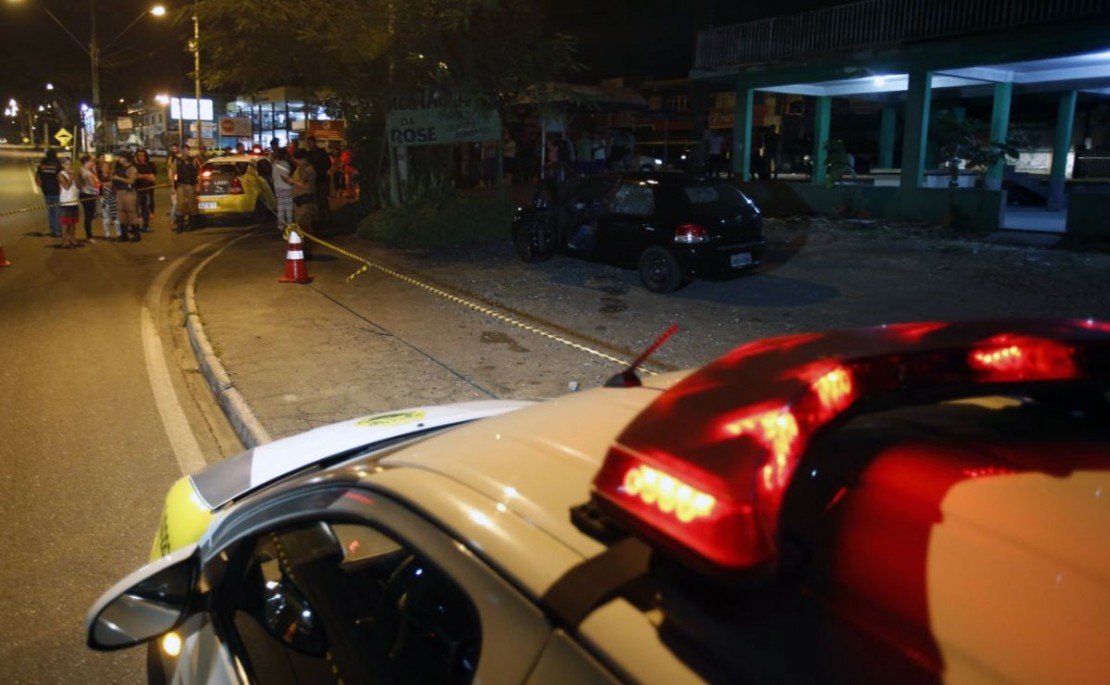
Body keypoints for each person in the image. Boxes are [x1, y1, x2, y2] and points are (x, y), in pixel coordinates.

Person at [291, 149, 316, 258]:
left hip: (305, 201)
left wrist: (291, 181)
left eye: (298, 160)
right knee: (299, 227)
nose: (297, 162)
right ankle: (302, 250)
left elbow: (305, 185)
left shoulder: (309, 170)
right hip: (297, 202)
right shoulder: (298, 168)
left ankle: (307, 252)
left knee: (305, 227)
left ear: (304, 159)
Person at [113, 151, 141, 242]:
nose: (119, 159)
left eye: (121, 157)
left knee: (131, 213)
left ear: (126, 158)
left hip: (128, 193)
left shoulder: (132, 168)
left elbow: (131, 181)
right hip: (119, 192)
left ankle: (136, 234)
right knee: (121, 214)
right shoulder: (119, 168)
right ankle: (124, 235)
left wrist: (118, 178)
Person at [35, 148, 62, 237]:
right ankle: (57, 231)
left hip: (46, 191)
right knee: (57, 211)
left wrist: (43, 186)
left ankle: (53, 229)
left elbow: (38, 180)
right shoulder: (58, 166)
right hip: (56, 191)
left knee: (51, 211)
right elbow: (61, 179)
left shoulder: (41, 166)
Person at [174, 145, 199, 233]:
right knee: (180, 205)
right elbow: (174, 173)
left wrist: (197, 185)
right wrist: (173, 186)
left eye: (187, 150)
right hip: (181, 184)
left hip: (190, 185)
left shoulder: (193, 160)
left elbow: (198, 173)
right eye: (183, 149)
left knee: (191, 205)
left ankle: (192, 225)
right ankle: (179, 226)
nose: (185, 151)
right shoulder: (177, 161)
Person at [305, 136, 331, 222]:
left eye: (310, 143)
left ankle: (324, 218)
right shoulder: (308, 154)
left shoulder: (322, 153)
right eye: (308, 143)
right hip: (312, 181)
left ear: (314, 143)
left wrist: (316, 168)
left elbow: (328, 165)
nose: (309, 145)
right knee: (314, 200)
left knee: (322, 200)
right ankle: (317, 217)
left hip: (321, 180)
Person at [57, 157, 81, 249]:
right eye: (67, 164)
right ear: (62, 165)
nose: (69, 166)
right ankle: (64, 241)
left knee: (72, 223)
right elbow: (66, 186)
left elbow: (79, 186)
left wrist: (76, 176)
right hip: (65, 202)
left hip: (74, 201)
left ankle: (72, 238)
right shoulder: (61, 175)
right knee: (65, 223)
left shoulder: (73, 174)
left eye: (70, 164)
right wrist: (71, 176)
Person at [97, 156, 122, 241]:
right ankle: (107, 234)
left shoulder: (113, 176)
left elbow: (115, 185)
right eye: (103, 167)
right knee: (106, 217)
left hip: (113, 198)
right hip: (104, 199)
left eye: (106, 167)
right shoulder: (98, 176)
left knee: (115, 217)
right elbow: (99, 185)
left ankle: (119, 233)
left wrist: (107, 183)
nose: (105, 169)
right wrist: (107, 183)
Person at [78, 154, 99, 244]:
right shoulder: (86, 172)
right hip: (88, 195)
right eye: (91, 161)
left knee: (90, 215)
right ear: (86, 162)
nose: (93, 163)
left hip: (87, 194)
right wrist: (99, 183)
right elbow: (94, 184)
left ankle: (89, 235)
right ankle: (89, 236)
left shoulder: (84, 170)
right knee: (88, 216)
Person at [134, 149, 157, 232]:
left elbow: (152, 178)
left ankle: (145, 225)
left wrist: (141, 176)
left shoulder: (147, 166)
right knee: (135, 209)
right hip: (136, 190)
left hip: (146, 190)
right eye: (139, 155)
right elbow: (133, 176)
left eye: (143, 155)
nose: (141, 157)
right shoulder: (134, 166)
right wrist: (145, 176)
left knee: (145, 209)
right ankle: (135, 227)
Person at [271, 147, 294, 229]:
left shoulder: (274, 164)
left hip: (277, 188)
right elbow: (286, 177)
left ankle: (280, 226)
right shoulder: (285, 164)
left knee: (280, 207)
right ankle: (290, 225)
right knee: (288, 208)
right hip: (286, 188)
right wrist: (293, 182)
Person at [166, 143, 180, 218]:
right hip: (174, 182)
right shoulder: (170, 158)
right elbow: (170, 171)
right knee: (175, 202)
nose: (174, 150)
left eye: (175, 148)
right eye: (173, 149)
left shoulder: (180, 158)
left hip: (180, 182)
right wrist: (171, 185)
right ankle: (173, 217)